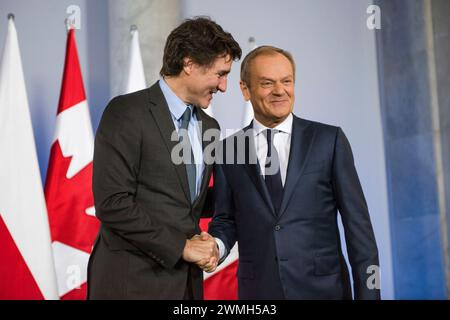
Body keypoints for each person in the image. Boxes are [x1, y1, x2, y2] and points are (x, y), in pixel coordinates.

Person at [208, 46, 380, 299]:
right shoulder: (226, 151)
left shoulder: (328, 140)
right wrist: (215, 246)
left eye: (286, 81)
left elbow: (358, 228)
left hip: (325, 291)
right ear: (245, 89)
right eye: (267, 83)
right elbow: (225, 220)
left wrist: (369, 295)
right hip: (258, 294)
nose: (280, 90)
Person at [87, 17, 241, 300]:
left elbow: (188, 203)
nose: (224, 87)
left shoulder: (210, 127)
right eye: (220, 74)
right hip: (130, 285)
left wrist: (245, 200)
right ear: (189, 64)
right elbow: (112, 203)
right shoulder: (126, 112)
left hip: (186, 287)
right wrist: (182, 247)